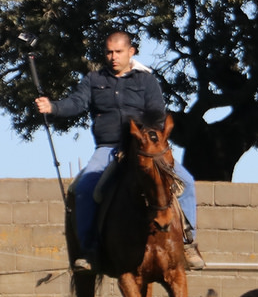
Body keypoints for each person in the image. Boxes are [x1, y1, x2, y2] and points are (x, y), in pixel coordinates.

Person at [37, 29, 204, 270]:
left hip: (143, 148)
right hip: (107, 148)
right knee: (84, 189)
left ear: (131, 52)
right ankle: (89, 250)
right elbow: (76, 103)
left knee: (186, 182)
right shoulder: (94, 80)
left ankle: (188, 244)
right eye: (109, 52)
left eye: (118, 52)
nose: (113, 57)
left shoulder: (146, 80)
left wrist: (143, 141)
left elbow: (157, 113)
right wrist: (52, 106)